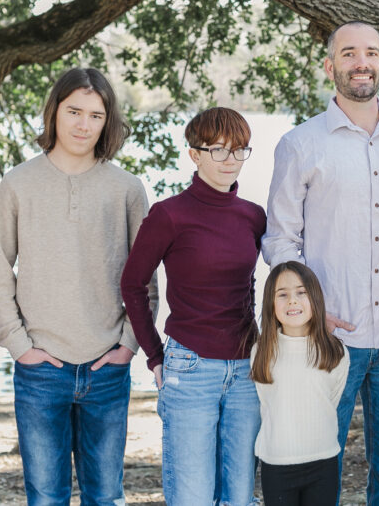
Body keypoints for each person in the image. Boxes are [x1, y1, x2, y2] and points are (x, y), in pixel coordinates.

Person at [263, 21, 379, 505]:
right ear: (330, 66)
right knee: (321, 469)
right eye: (350, 53)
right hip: (331, 338)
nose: (362, 62)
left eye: (372, 53)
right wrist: (310, 311)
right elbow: (280, 240)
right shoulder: (301, 144)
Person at [0, 68, 156, 506]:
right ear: (54, 113)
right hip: (41, 367)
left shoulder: (127, 189)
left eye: (95, 115)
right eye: (74, 111)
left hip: (107, 366)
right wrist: (19, 344)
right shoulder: (17, 183)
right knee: (45, 497)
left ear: (107, 121)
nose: (83, 124)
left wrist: (130, 343)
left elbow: (145, 278)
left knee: (105, 495)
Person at [121, 107, 266, 505]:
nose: (230, 160)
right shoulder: (169, 215)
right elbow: (133, 285)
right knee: (192, 497)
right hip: (190, 368)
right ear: (194, 155)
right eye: (218, 150)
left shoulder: (253, 216)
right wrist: (153, 356)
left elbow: (256, 287)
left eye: (238, 150)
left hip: (246, 371)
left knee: (239, 497)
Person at [251, 261, 350, 506]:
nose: (292, 301)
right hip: (277, 465)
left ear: (315, 298)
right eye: (282, 295)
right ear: (271, 305)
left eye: (301, 292)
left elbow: (331, 398)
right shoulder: (262, 351)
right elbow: (267, 399)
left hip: (323, 461)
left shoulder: (335, 351)